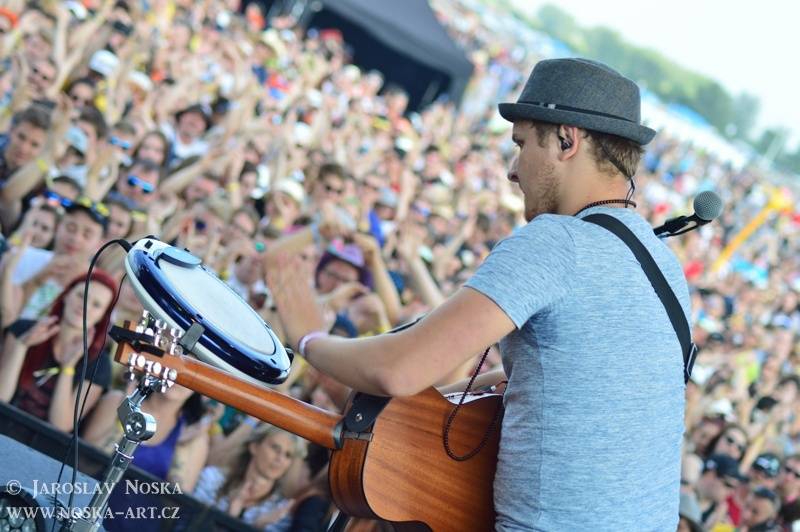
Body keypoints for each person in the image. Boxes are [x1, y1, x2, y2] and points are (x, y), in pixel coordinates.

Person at [267, 58, 691, 530]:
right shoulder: (664, 266)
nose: (513, 170)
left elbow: (398, 369)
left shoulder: (558, 241)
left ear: (567, 141)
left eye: (522, 144)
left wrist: (307, 337)